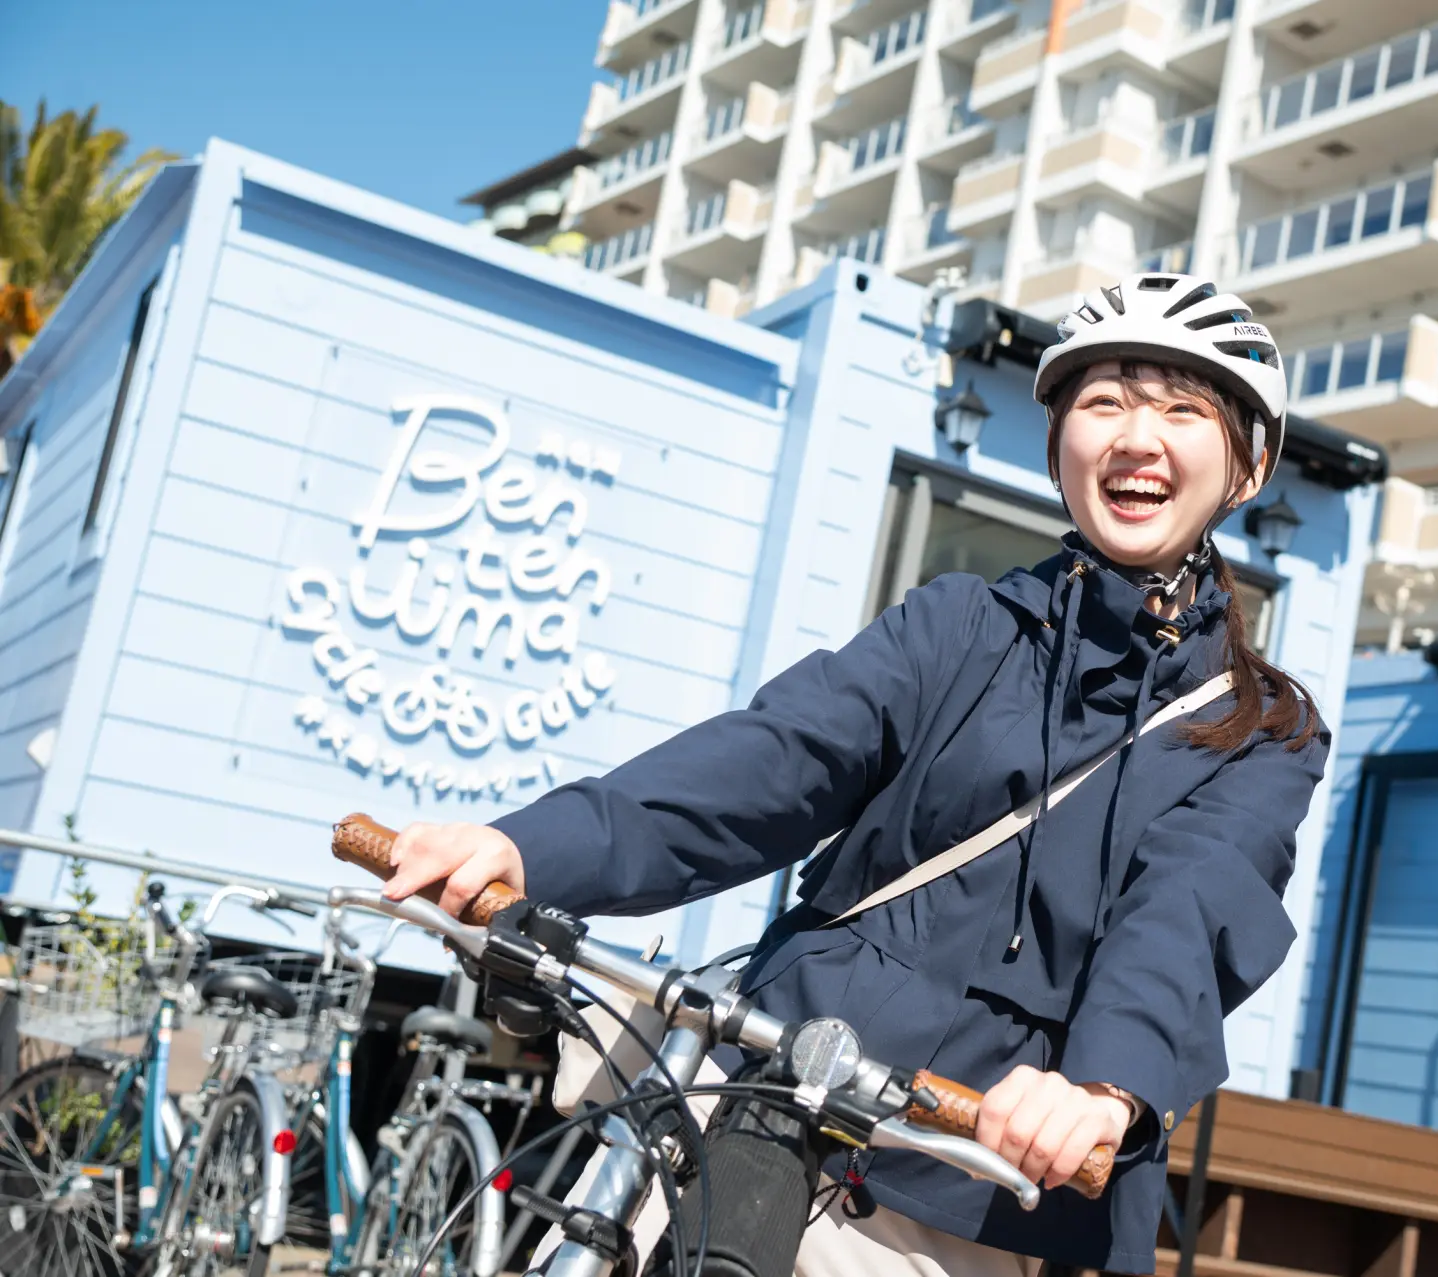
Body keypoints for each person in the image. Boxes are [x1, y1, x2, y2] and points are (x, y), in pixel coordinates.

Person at [381, 271, 1328, 1276]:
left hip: (973, 1171)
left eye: (1183, 409)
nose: (1137, 438)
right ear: (1060, 447)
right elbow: (776, 756)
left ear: (1248, 464)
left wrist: (1100, 1086)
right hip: (770, 1096)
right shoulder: (962, 624)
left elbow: (1187, 912)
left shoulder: (1260, 725)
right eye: (1104, 402)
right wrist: (533, 844)